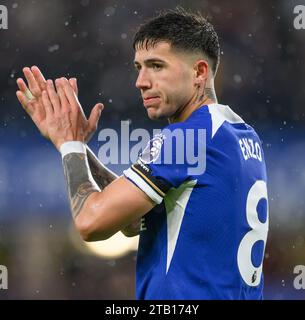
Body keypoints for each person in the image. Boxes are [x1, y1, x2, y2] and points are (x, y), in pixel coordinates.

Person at [16, 8, 269, 300]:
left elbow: (90, 222)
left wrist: (67, 145)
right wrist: (80, 149)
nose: (141, 82)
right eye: (139, 68)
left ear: (199, 72)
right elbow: (134, 221)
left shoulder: (188, 138)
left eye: (157, 66)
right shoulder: (241, 135)